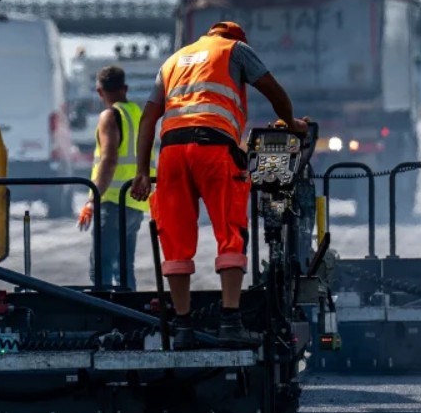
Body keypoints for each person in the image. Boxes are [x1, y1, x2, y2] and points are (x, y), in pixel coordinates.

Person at [130, 21, 307, 349]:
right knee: (230, 232)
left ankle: (182, 328)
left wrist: (142, 171)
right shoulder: (235, 50)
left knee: (175, 238)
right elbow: (273, 91)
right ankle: (230, 322)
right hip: (213, 148)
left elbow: (147, 120)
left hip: (171, 154)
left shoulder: (171, 62)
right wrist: (292, 122)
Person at [77, 66, 152, 289]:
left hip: (111, 202)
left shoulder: (110, 116)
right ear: (125, 88)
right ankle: (129, 316)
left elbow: (109, 160)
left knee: (100, 268)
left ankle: (105, 318)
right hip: (135, 202)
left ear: (100, 92)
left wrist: (92, 199)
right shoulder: (137, 113)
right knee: (125, 268)